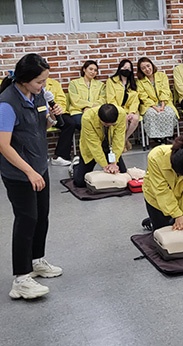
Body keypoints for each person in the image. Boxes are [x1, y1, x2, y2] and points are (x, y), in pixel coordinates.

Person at [0, 54, 64, 300]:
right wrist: (28, 171)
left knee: (41, 218)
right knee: (26, 221)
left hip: (39, 167)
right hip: (20, 173)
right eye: (39, 81)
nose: (43, 86)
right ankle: (21, 279)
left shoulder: (36, 96)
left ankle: (37, 261)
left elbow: (39, 128)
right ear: (25, 80)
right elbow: (4, 145)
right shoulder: (6, 104)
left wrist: (50, 117)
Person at [142, 136, 183, 232]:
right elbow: (161, 190)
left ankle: (163, 218)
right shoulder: (155, 157)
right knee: (162, 234)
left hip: (181, 196)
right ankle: (153, 221)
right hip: (156, 197)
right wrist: (177, 214)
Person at [52, 60, 105, 166]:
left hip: (94, 112)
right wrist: (85, 107)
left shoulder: (100, 85)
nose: (93, 72)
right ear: (84, 69)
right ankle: (85, 153)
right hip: (77, 112)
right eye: (90, 69)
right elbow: (75, 100)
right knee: (84, 124)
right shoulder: (74, 83)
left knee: (100, 124)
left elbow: (102, 100)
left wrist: (89, 108)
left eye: (95, 70)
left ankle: (98, 151)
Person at [72, 104, 127, 188]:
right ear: (99, 118)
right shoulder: (87, 118)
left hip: (110, 146)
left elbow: (118, 139)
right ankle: (75, 165)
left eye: (112, 124)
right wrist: (105, 166)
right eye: (106, 124)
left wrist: (113, 163)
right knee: (80, 182)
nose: (109, 126)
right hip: (91, 147)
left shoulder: (122, 114)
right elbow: (94, 145)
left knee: (122, 174)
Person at [136, 57, 178, 145]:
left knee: (169, 112)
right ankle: (157, 139)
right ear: (140, 70)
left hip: (165, 102)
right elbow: (143, 97)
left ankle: (167, 137)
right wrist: (155, 107)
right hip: (149, 105)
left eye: (148, 66)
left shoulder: (162, 76)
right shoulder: (139, 82)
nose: (147, 69)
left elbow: (165, 91)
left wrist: (162, 106)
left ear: (152, 65)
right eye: (143, 68)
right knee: (152, 114)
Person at [106, 59, 139, 151]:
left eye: (129, 68)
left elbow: (135, 100)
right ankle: (121, 142)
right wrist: (122, 111)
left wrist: (132, 112)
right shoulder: (111, 81)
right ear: (120, 68)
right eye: (124, 67)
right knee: (123, 117)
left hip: (130, 109)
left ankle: (123, 140)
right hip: (116, 108)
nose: (126, 70)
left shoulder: (133, 83)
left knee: (135, 118)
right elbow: (110, 99)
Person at [45, 77, 68, 164]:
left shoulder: (54, 83)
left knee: (69, 123)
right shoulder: (29, 84)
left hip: (54, 113)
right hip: (40, 113)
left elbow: (61, 100)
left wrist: (58, 109)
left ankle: (60, 156)